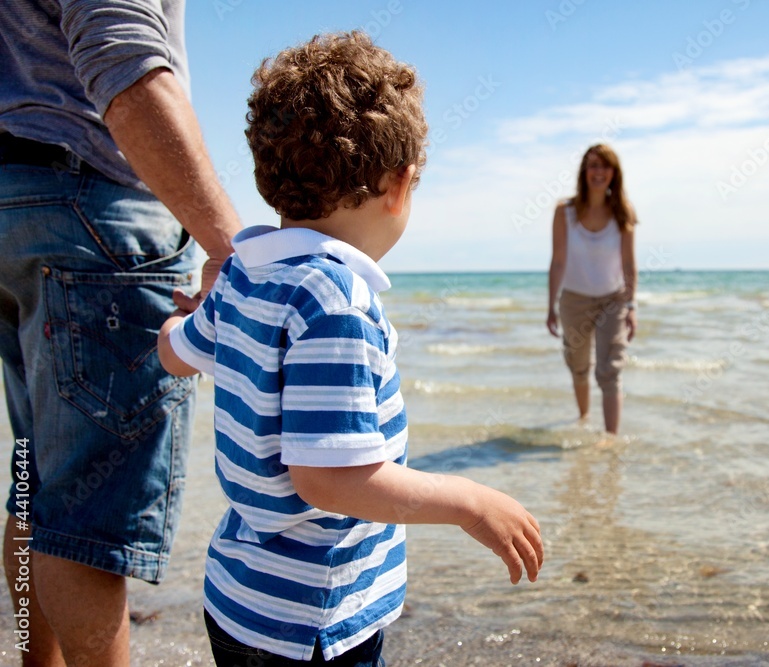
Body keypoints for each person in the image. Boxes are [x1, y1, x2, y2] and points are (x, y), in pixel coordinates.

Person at [157, 31, 543, 666]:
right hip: (314, 622)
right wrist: (470, 503)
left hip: (237, 599)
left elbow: (176, 355)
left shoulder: (246, 274)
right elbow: (328, 480)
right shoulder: (334, 299)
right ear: (399, 184)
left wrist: (181, 322)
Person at [1, 1, 243, 666]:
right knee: (86, 522)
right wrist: (229, 246)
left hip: (16, 204)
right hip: (90, 208)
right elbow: (122, 55)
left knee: (36, 478)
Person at [547, 144, 638, 434]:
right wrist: (551, 306)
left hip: (613, 300)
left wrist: (631, 306)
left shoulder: (623, 212)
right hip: (574, 300)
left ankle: (611, 440)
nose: (599, 172)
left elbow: (629, 264)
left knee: (610, 370)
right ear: (584, 172)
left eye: (605, 166)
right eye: (593, 166)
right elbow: (558, 261)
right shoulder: (566, 212)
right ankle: (584, 420)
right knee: (578, 366)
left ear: (614, 173)